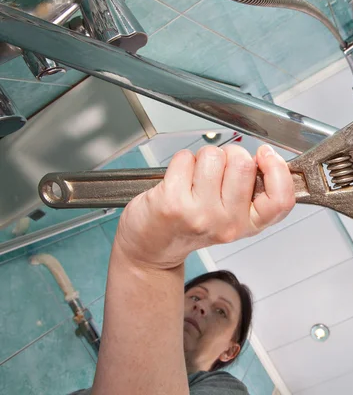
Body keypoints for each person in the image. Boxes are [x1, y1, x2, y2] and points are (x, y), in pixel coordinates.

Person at [72, 143, 295, 395]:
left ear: (230, 350)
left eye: (221, 311)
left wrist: (148, 263)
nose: (200, 307)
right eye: (195, 296)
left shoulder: (228, 390)